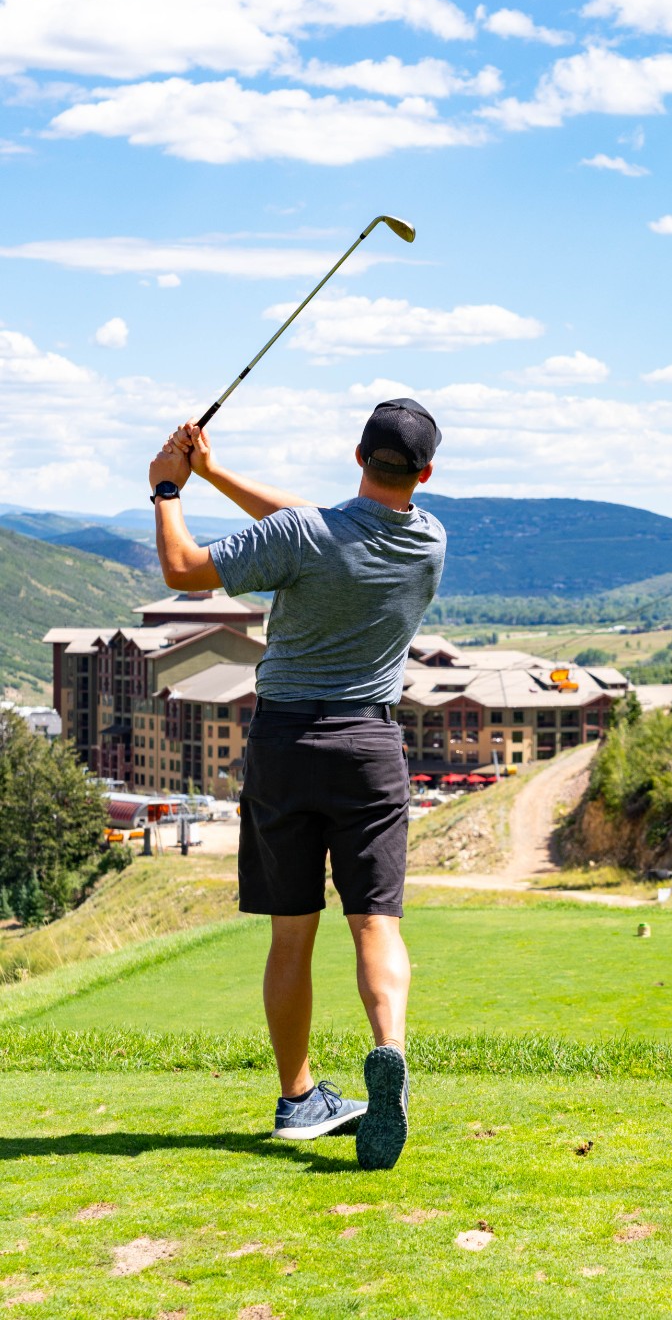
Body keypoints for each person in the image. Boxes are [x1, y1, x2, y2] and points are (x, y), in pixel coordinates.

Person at [147, 398, 446, 1170]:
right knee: (376, 923)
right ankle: (390, 1053)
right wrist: (215, 471)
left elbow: (184, 571)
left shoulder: (305, 537)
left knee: (291, 931)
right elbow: (321, 523)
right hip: (370, 747)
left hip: (285, 742)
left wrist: (170, 490)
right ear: (426, 473)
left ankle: (298, 1096)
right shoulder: (428, 539)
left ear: (357, 455)